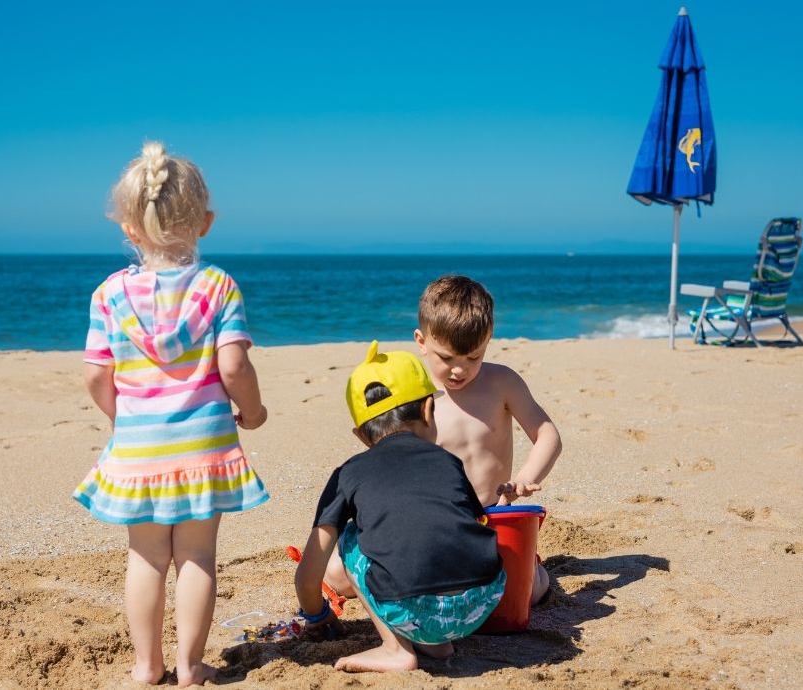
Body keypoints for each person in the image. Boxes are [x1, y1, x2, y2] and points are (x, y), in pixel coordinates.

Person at [72, 141, 269, 687]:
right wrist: (252, 411)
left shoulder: (109, 295)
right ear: (205, 223)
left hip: (138, 448)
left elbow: (95, 374)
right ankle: (190, 666)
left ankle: (145, 665)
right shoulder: (218, 287)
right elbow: (233, 368)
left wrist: (122, 417)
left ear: (128, 229)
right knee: (198, 557)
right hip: (204, 448)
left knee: (146, 558)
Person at [295, 341, 506, 673]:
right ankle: (436, 645)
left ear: (361, 436)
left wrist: (317, 615)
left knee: (351, 534)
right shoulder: (449, 462)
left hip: (414, 610)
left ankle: (395, 649)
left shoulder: (347, 475)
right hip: (482, 603)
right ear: (427, 410)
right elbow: (470, 522)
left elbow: (309, 574)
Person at [414, 274, 562, 604]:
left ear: (488, 340)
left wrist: (525, 478)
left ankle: (534, 569)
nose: (459, 370)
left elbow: (547, 434)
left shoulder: (501, 383)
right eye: (447, 357)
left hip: (494, 517)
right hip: (438, 523)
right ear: (421, 341)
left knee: (528, 595)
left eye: (473, 358)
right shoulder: (415, 393)